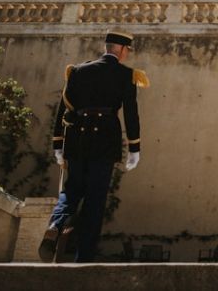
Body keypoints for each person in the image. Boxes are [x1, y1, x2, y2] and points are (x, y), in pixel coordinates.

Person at [39, 30, 149, 263]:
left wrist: (58, 144)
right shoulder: (126, 75)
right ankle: (84, 257)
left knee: (71, 190)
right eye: (127, 50)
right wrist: (134, 148)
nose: (127, 55)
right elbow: (131, 114)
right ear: (120, 50)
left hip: (77, 137)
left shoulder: (78, 71)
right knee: (95, 199)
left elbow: (64, 109)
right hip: (104, 140)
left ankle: (56, 224)